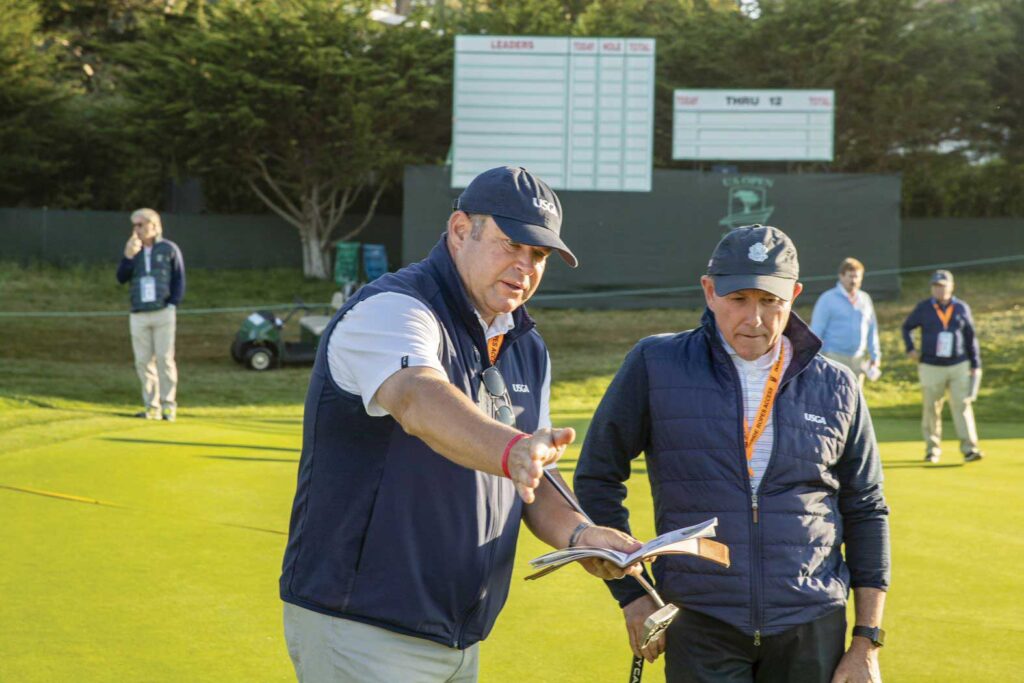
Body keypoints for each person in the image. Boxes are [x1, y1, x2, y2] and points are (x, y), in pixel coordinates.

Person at [279, 166, 642, 683]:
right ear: (458, 230)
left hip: (458, 638)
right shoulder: (394, 308)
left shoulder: (525, 346)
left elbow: (531, 476)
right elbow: (417, 399)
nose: (525, 267)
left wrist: (582, 535)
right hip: (362, 628)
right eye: (510, 244)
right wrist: (513, 448)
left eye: (538, 255)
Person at [575, 225, 891, 683]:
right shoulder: (654, 363)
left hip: (811, 623)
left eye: (770, 301)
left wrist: (866, 641)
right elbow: (597, 478)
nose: (755, 319)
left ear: (794, 295)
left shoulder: (838, 385)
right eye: (738, 299)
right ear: (709, 291)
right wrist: (633, 594)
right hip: (699, 622)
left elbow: (867, 509)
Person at [901, 269, 983, 463]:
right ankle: (932, 449)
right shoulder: (924, 308)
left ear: (951, 287)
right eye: (936, 286)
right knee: (931, 408)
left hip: (958, 364)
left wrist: (975, 363)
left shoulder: (962, 308)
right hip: (931, 365)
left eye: (943, 286)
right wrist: (911, 349)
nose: (939, 290)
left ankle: (969, 448)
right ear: (932, 288)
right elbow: (907, 327)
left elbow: (971, 338)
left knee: (962, 405)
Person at [116, 208, 185, 421]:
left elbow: (179, 277)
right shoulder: (132, 250)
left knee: (165, 359)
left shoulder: (169, 248)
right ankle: (151, 407)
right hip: (139, 313)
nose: (136, 229)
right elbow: (121, 278)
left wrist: (173, 303)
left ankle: (168, 406)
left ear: (153, 226)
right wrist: (128, 257)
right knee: (143, 361)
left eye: (141, 224)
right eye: (134, 225)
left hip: (163, 311)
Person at [810, 257, 881, 385]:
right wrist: (812, 356)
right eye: (850, 276)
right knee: (834, 397)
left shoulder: (865, 299)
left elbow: (872, 329)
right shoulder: (827, 299)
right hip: (833, 357)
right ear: (841, 276)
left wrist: (875, 355)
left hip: (858, 359)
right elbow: (816, 330)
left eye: (857, 276)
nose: (854, 280)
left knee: (855, 400)